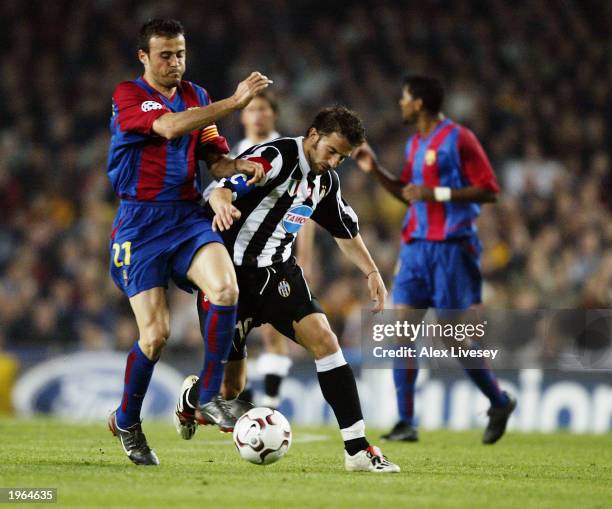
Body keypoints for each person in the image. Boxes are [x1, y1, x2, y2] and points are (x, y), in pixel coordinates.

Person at [176, 106, 400, 472]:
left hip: (278, 274)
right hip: (228, 278)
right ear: (313, 135)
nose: (334, 161)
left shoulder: (325, 182)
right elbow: (225, 183)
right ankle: (192, 396)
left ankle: (357, 450)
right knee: (231, 390)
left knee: (326, 341)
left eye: (342, 157)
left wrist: (372, 272)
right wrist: (221, 200)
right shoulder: (276, 156)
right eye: (331, 151)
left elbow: (344, 228)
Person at [105, 18, 272, 466]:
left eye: (180, 53)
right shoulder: (128, 95)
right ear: (144, 57)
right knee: (155, 336)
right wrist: (236, 102)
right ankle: (126, 420)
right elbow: (169, 128)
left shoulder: (197, 94)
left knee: (225, 288)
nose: (175, 62)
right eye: (165, 54)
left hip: (184, 218)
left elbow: (211, 159)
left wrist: (237, 165)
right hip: (139, 227)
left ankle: (210, 394)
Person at [352, 75, 516, 444]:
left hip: (452, 248)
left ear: (421, 102)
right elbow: (411, 195)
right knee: (401, 331)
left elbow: (490, 190)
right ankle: (406, 421)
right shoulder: (415, 143)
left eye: (405, 98)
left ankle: (499, 400)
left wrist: (436, 192)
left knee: (451, 336)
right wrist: (375, 170)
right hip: (415, 247)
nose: (401, 103)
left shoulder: (460, 138)